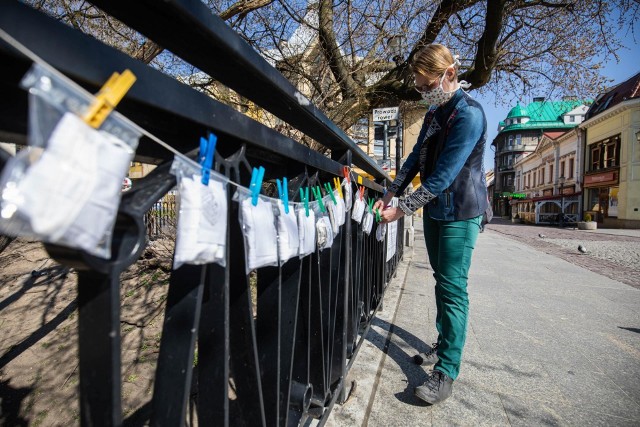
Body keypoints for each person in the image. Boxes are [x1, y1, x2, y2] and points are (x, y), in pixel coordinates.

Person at [374, 43, 488, 405]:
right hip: (437, 212)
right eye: (419, 86)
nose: (423, 92)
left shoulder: (469, 115)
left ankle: (447, 371)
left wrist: (403, 208)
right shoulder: (436, 111)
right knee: (441, 280)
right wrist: (392, 192)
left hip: (461, 212)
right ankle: (444, 342)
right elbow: (414, 158)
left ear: (448, 75)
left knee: (454, 287)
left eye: (427, 85)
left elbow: (441, 176)